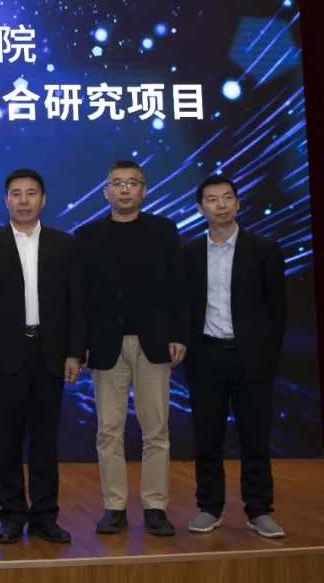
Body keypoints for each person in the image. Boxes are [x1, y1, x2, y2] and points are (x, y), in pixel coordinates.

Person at [74, 160, 188, 537]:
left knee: (156, 429)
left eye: (132, 183)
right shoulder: (86, 235)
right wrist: (80, 344)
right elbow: (79, 297)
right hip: (105, 345)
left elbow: (178, 286)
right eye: (117, 183)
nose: (125, 189)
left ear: (144, 190)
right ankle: (115, 506)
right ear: (105, 191)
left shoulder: (164, 230)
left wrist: (179, 333)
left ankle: (155, 506)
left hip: (153, 342)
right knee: (109, 430)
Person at [0, 168, 84, 545]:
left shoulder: (64, 244)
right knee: (6, 441)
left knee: (45, 441)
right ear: (6, 200)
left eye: (31, 193)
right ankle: (11, 515)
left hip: (50, 354)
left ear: (43, 199)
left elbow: (76, 303)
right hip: (4, 356)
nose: (24, 201)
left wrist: (74, 352)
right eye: (16, 194)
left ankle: (45, 516)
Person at [183, 177, 287, 538]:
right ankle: (209, 507)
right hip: (206, 356)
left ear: (238, 203)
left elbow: (278, 310)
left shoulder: (264, 249)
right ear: (200, 209)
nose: (221, 205)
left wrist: (268, 354)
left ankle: (259, 510)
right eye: (212, 200)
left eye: (228, 198)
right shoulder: (188, 254)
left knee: (254, 438)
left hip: (251, 358)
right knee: (207, 438)